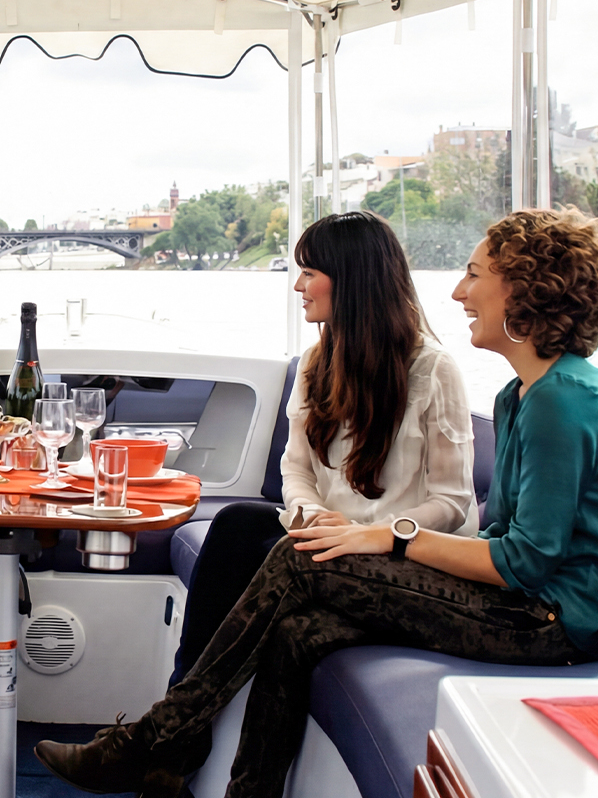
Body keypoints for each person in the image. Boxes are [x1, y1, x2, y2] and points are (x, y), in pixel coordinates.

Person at [36, 208, 598, 798]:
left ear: (527, 290)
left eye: (475, 275)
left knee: (297, 560)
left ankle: (153, 740)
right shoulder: (522, 395)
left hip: (553, 623)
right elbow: (502, 536)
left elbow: (524, 563)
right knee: (298, 630)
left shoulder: (563, 400)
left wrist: (391, 538)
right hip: (518, 601)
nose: (458, 292)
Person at [173, 211, 475, 682]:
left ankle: (174, 725)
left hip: (401, 553)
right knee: (236, 523)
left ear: (352, 280)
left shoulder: (433, 369)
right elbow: (295, 471)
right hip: (331, 541)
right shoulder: (317, 362)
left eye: (310, 273)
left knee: (267, 553)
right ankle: (182, 701)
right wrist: (315, 519)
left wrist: (372, 534)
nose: (298, 286)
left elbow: (453, 503)